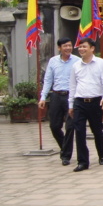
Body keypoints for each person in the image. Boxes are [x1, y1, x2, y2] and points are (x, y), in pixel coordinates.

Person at [68, 38, 103, 172]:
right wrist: (71, 104)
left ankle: (102, 154)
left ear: (92, 48)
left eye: (84, 47)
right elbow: (72, 86)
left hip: (95, 101)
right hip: (79, 102)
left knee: (97, 131)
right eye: (80, 47)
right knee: (79, 131)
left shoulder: (101, 63)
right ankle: (82, 162)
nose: (81, 49)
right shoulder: (76, 65)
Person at [39, 37, 76, 165]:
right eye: (65, 46)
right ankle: (64, 147)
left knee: (70, 126)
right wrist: (43, 97)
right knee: (54, 126)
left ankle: (66, 156)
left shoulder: (77, 61)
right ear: (59, 48)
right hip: (56, 96)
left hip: (71, 96)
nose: (68, 48)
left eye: (70, 45)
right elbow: (48, 80)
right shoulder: (53, 61)